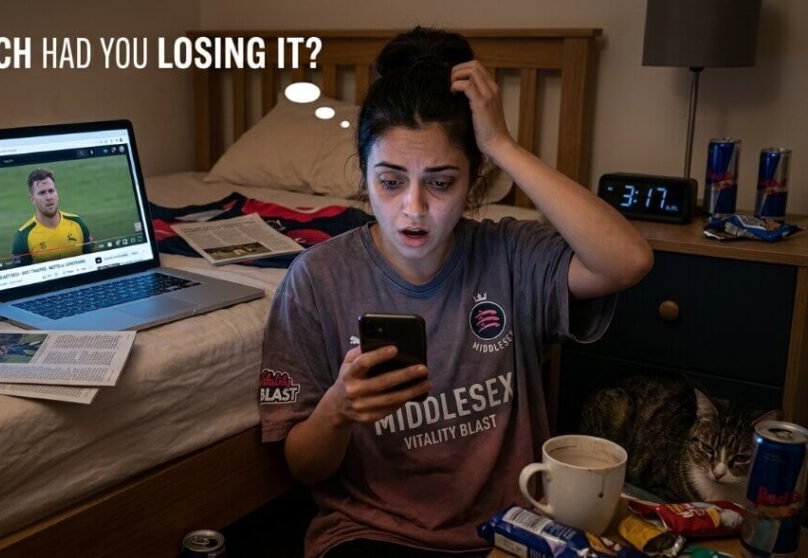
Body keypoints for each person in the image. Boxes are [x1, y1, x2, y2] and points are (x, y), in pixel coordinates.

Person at [258, 27, 653, 557]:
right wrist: (337, 410)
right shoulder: (316, 279)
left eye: (442, 182)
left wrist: (502, 144)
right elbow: (303, 466)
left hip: (510, 532)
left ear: (474, 180)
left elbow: (629, 260)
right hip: (373, 533)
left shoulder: (511, 256)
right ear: (364, 172)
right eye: (391, 181)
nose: (414, 209)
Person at [12, 168, 94, 265]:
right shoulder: (23, 236)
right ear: (32, 199)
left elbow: (94, 261)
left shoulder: (77, 223)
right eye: (42, 193)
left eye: (51, 191)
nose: (49, 197)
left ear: (57, 194)